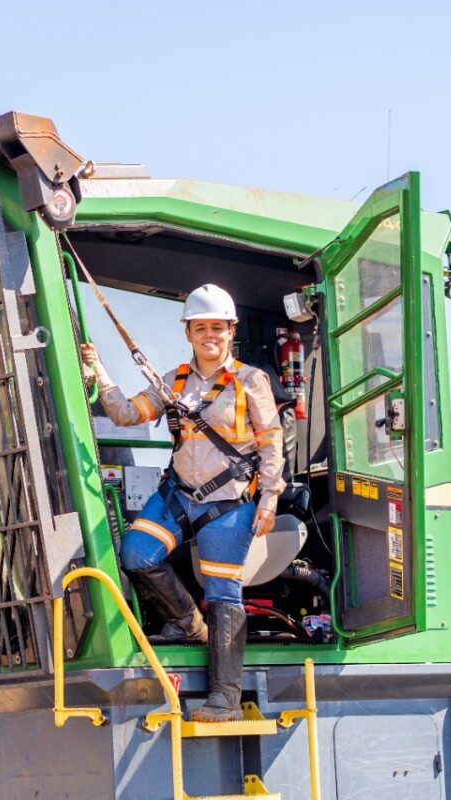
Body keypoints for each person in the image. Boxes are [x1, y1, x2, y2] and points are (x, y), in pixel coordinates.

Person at [80, 283, 285, 723]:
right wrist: (99, 371)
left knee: (223, 594)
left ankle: (225, 699)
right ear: (188, 333)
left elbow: (271, 443)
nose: (209, 335)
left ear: (231, 331)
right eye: (200, 328)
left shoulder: (251, 381)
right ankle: (188, 622)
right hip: (177, 495)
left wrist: (268, 499)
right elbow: (126, 415)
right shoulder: (173, 381)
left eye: (217, 327)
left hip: (229, 503)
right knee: (136, 554)